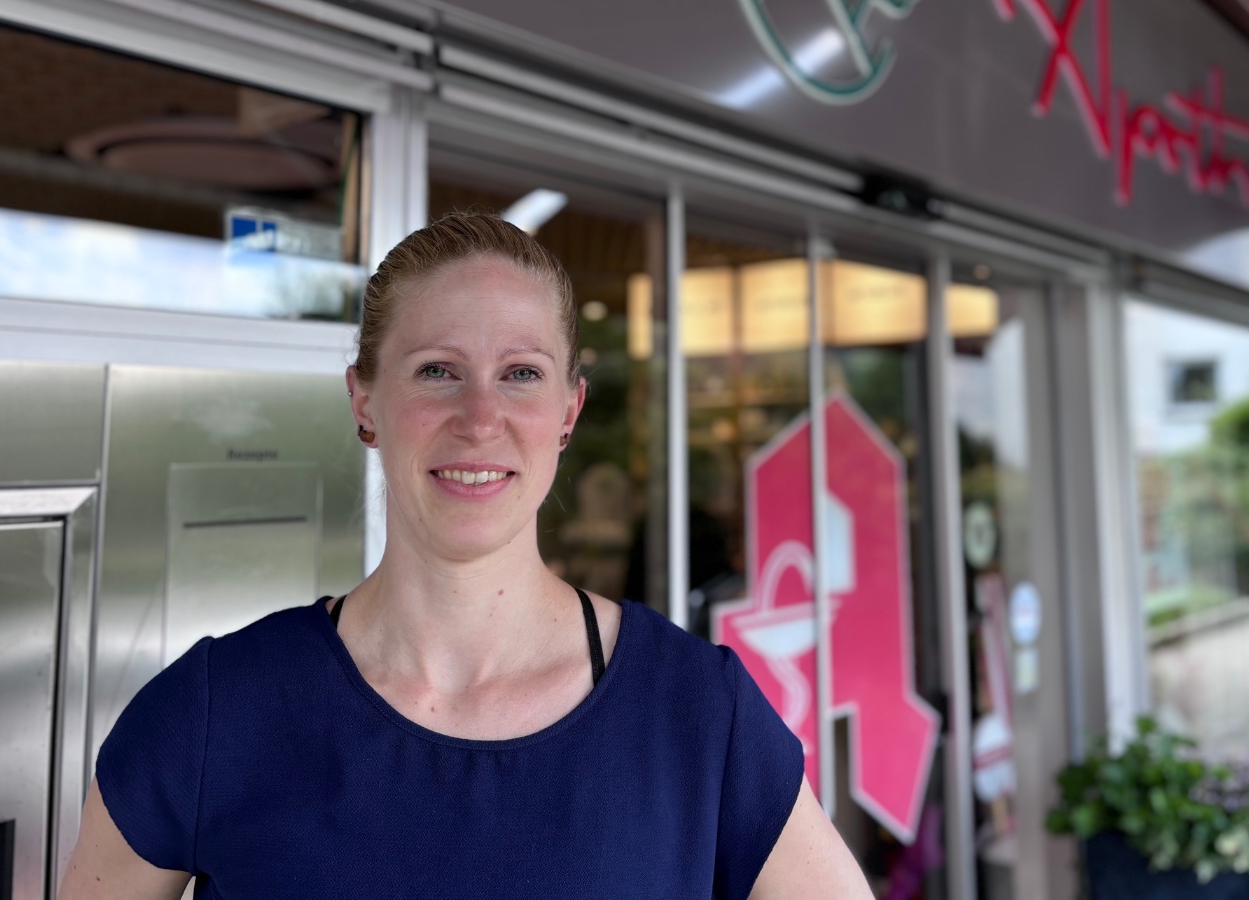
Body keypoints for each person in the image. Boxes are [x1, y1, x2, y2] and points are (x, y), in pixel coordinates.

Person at [60, 212, 871, 900]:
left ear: (568, 411)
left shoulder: (696, 714)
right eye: (437, 371)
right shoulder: (214, 713)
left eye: (520, 373)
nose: (480, 418)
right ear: (364, 402)